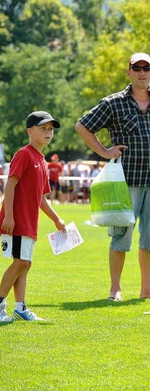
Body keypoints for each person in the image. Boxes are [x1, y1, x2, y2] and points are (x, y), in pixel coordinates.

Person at [76, 52, 150, 301]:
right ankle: (115, 289)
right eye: (136, 68)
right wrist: (104, 151)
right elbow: (82, 126)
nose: (141, 72)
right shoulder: (113, 103)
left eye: (145, 68)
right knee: (121, 236)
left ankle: (146, 288)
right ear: (128, 72)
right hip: (124, 181)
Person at [0, 111, 66, 323]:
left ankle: (20, 308)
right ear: (30, 131)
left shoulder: (42, 160)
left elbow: (41, 199)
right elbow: (10, 184)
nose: (48, 133)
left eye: (50, 130)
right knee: (19, 263)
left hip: (30, 222)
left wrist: (56, 219)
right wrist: (8, 216)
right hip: (17, 221)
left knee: (25, 264)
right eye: (43, 128)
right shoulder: (24, 154)